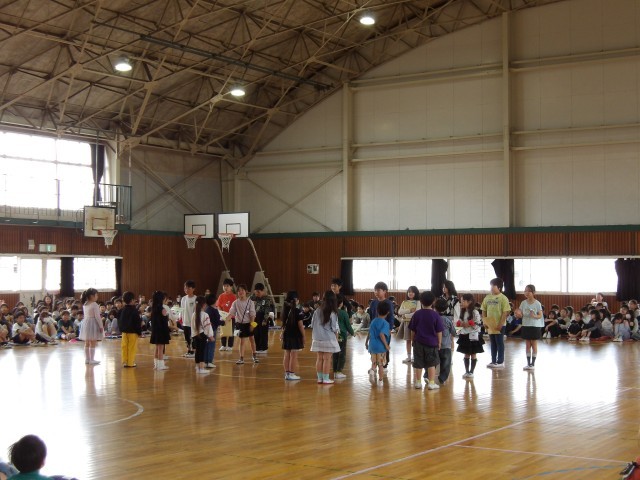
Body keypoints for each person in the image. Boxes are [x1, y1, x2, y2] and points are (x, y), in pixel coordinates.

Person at [409, 291, 444, 390]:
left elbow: (412, 330)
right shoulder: (435, 315)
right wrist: (439, 342)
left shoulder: (417, 314)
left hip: (418, 342)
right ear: (433, 302)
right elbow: (439, 331)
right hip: (432, 343)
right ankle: (431, 383)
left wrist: (412, 340)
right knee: (432, 364)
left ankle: (418, 382)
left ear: (421, 301)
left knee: (418, 363)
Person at [310, 290, 341, 384]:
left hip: (317, 338)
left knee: (319, 358)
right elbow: (335, 328)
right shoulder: (332, 312)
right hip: (328, 338)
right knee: (327, 359)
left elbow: (312, 324)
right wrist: (336, 339)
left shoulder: (317, 310)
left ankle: (320, 378)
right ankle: (326, 378)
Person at [482, 278, 510, 369]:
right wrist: (485, 322)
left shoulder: (503, 298)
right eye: (491, 286)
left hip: (500, 324)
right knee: (492, 342)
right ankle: (493, 361)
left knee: (499, 342)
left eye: (493, 286)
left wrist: (501, 324)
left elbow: (505, 312)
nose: (491, 288)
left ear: (499, 287)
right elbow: (483, 310)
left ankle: (500, 361)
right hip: (490, 324)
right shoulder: (487, 297)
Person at [456, 293, 484, 379]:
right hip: (464, 335)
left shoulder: (475, 312)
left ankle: (471, 372)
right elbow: (459, 323)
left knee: (473, 354)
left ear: (470, 302)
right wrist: (458, 328)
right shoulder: (463, 311)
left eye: (463, 301)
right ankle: (466, 371)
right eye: (461, 301)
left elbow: (478, 324)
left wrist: (468, 324)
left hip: (473, 336)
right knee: (466, 354)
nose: (461, 303)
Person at [228, 284, 257, 365]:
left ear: (246, 291)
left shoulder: (250, 302)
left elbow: (252, 315)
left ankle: (254, 356)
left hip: (249, 323)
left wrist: (252, 325)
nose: (240, 292)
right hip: (240, 324)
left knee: (252, 340)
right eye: (239, 291)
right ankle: (241, 358)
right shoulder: (235, 303)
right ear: (237, 293)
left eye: (242, 290)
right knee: (242, 341)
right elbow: (231, 313)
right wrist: (226, 320)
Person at [369, 282, 394, 369]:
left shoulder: (389, 303)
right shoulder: (373, 303)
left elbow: (391, 316)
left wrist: (390, 329)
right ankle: (374, 364)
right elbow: (371, 316)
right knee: (374, 345)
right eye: (375, 290)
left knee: (384, 346)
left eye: (378, 290)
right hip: (375, 329)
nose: (376, 292)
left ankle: (384, 365)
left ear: (385, 291)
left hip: (384, 329)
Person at [281, 291, 305, 380]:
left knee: (287, 354)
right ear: (296, 300)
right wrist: (304, 336)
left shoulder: (284, 310)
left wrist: (282, 333)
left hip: (287, 334)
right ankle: (291, 374)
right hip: (295, 335)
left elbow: (284, 324)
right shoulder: (297, 311)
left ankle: (287, 374)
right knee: (294, 355)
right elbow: (300, 325)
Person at [519, 284, 544, 371]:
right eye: (525, 291)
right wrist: (518, 314)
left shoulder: (537, 303)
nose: (526, 293)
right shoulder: (523, 303)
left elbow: (540, 315)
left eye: (529, 291)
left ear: (533, 292)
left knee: (534, 344)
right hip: (526, 325)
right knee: (527, 345)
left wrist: (534, 316)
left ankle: (533, 364)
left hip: (535, 326)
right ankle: (528, 363)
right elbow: (520, 313)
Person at [365, 301, 391, 383]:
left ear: (377, 310)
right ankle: (380, 380)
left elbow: (369, 332)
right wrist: (386, 345)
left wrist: (366, 342)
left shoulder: (373, 321)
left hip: (372, 346)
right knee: (381, 365)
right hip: (381, 347)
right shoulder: (385, 323)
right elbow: (381, 334)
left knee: (374, 362)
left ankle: (372, 370)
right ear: (388, 312)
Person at [332, 294, 355, 380]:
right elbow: (348, 325)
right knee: (342, 353)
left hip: (333, 335)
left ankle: (335, 370)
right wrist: (353, 333)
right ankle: (339, 371)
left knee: (335, 353)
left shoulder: (331, 312)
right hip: (342, 335)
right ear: (341, 303)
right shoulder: (343, 313)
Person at [435, 297, 456, 385]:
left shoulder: (433, 318)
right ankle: (442, 378)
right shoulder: (448, 320)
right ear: (446, 308)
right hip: (446, 346)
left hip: (434, 345)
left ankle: (427, 375)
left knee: (432, 362)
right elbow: (453, 332)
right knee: (446, 364)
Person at [80, 288, 103, 365]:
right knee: (93, 342)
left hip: (86, 323)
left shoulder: (85, 304)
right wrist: (101, 326)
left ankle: (87, 359)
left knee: (87, 342)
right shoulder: (94, 304)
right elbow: (97, 317)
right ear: (92, 296)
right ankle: (92, 359)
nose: (97, 296)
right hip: (92, 323)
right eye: (96, 295)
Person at [118, 291, 141, 368]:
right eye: (134, 299)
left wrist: (121, 329)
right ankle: (130, 363)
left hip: (124, 332)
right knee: (131, 347)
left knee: (124, 347)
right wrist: (139, 332)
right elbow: (137, 322)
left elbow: (119, 321)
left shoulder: (122, 310)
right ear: (132, 300)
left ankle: (125, 361)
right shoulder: (134, 311)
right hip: (133, 332)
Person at [192, 296, 214, 374]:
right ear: (204, 305)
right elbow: (208, 327)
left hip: (195, 335)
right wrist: (210, 336)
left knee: (197, 351)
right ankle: (201, 368)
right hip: (202, 335)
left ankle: (197, 367)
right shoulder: (205, 315)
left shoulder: (194, 314)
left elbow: (192, 326)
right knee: (202, 351)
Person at [397, 286, 419, 364]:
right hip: (406, 323)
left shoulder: (418, 302)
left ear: (416, 293)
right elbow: (400, 312)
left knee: (415, 340)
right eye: (409, 292)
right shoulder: (404, 302)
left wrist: (406, 315)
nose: (410, 293)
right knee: (408, 340)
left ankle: (415, 357)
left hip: (415, 323)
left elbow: (417, 312)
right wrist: (409, 310)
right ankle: (409, 357)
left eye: (412, 292)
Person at [149, 291, 170, 370]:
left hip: (155, 331)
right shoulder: (162, 309)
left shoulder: (153, 309)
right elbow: (164, 321)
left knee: (157, 348)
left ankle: (156, 365)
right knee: (161, 348)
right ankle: (161, 365)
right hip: (161, 331)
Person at [252, 283, 275, 353]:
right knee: (256, 332)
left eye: (259, 292)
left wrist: (265, 320)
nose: (257, 293)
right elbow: (249, 298)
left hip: (263, 317)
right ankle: (258, 348)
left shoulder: (267, 298)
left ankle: (264, 348)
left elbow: (267, 310)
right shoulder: (255, 297)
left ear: (263, 291)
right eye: (256, 292)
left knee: (263, 333)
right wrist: (254, 293)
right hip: (255, 317)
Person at [216, 278, 236, 351]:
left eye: (227, 286)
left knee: (231, 331)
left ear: (231, 287)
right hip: (223, 317)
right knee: (223, 330)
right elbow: (218, 306)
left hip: (231, 317)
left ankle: (230, 345)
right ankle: (223, 345)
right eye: (224, 286)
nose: (225, 287)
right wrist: (221, 313)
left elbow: (234, 308)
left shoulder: (233, 296)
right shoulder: (221, 296)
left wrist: (230, 315)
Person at [204, 294, 222, 368]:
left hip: (206, 330)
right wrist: (224, 322)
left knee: (206, 346)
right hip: (212, 330)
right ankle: (209, 361)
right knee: (211, 346)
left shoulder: (206, 309)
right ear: (214, 301)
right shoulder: (214, 310)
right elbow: (217, 321)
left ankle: (205, 361)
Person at [180, 280, 197, 358]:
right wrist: (180, 318)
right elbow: (182, 310)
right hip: (185, 322)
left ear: (193, 289)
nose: (186, 290)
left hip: (193, 323)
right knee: (187, 338)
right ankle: (189, 350)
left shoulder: (196, 299)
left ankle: (193, 351)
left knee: (193, 337)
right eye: (185, 288)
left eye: (188, 288)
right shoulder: (183, 299)